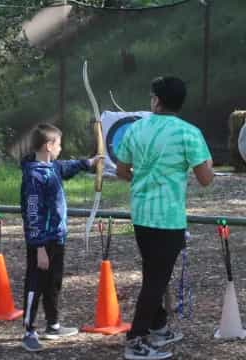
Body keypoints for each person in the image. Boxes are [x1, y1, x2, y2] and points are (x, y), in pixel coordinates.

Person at [116, 76, 214, 360]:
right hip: (168, 219)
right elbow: (205, 179)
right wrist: (205, 164)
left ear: (157, 101)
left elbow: (122, 171)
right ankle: (135, 340)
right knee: (156, 280)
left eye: (151, 96)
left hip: (142, 214)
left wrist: (143, 177)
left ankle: (158, 327)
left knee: (154, 274)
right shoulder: (189, 133)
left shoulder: (136, 128)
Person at [20, 123, 101, 352]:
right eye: (59, 144)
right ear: (48, 145)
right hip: (42, 243)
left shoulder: (52, 167)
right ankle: (29, 331)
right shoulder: (34, 175)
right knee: (35, 284)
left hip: (57, 238)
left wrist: (89, 163)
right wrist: (39, 248)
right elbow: (32, 213)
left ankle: (53, 325)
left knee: (53, 283)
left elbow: (67, 167)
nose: (61, 148)